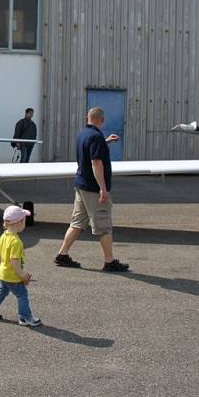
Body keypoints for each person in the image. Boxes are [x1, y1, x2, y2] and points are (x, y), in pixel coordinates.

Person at [54, 106, 129, 272]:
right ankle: (109, 261)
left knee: (77, 222)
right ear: (102, 120)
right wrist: (103, 188)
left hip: (81, 185)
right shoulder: (96, 136)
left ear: (87, 118)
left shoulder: (83, 134)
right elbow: (96, 162)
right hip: (93, 189)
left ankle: (62, 254)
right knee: (103, 224)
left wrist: (106, 141)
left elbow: (90, 151)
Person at [0, 205, 42, 327]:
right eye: (24, 220)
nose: (25, 223)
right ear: (19, 223)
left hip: (4, 272)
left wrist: (0, 268)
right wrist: (22, 275)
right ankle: (25, 317)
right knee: (22, 295)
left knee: (2, 290)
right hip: (13, 275)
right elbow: (14, 261)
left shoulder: (4, 236)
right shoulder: (16, 242)